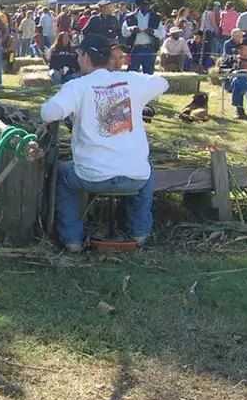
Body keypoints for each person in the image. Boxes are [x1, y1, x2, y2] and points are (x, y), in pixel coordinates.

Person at [39, 34, 168, 252]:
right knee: (146, 171)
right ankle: (140, 232)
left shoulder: (78, 86)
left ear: (87, 57)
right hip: (133, 177)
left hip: (91, 176)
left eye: (80, 54)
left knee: (62, 174)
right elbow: (163, 83)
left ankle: (73, 239)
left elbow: (48, 113)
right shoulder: (132, 80)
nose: (78, 58)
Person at [121, 0, 164, 74]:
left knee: (149, 75)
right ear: (139, 4)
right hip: (134, 49)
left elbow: (162, 33)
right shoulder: (130, 17)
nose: (145, 6)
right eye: (143, 4)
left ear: (150, 5)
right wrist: (131, 29)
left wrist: (153, 32)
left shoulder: (156, 18)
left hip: (149, 49)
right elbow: (124, 32)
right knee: (131, 74)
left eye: (147, 4)